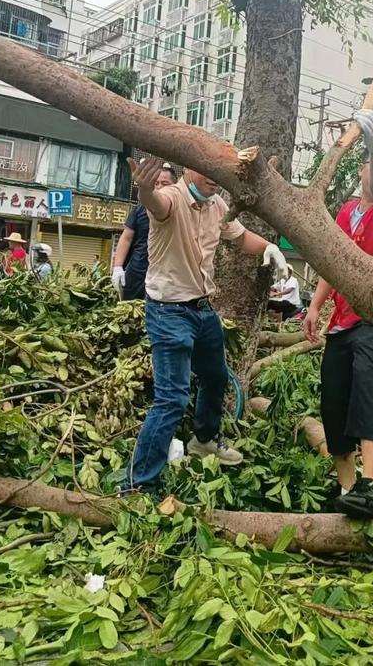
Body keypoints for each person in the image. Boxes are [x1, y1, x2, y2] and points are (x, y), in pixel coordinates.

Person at [124, 157, 289, 496]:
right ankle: (140, 484)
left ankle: (204, 440)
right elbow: (154, 203)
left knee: (216, 376)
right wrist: (143, 187)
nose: (216, 178)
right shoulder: (171, 197)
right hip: (168, 313)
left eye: (219, 172)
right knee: (172, 398)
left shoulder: (216, 205)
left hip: (202, 309)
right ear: (189, 168)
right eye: (208, 170)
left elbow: (241, 237)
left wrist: (271, 247)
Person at [303, 110, 373, 520]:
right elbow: (332, 266)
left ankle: (371, 485)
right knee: (333, 396)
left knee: (367, 379)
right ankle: (348, 487)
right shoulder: (346, 213)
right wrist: (315, 307)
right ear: (362, 169)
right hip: (341, 323)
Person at [111, 164, 177, 300]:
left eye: (165, 183)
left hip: (166, 275)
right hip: (138, 271)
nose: (159, 187)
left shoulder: (181, 210)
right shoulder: (140, 209)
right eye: (156, 183)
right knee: (129, 312)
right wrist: (117, 267)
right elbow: (126, 237)